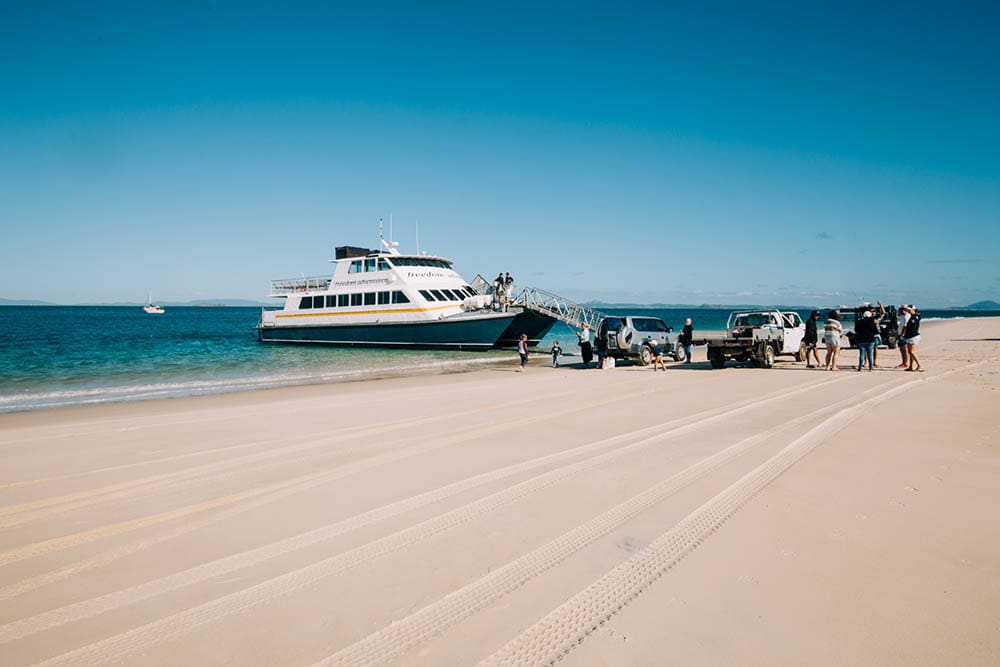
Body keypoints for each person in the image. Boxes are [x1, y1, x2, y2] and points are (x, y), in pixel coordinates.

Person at [902, 306, 924, 372]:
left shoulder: (914, 317)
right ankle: (911, 367)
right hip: (911, 336)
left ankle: (920, 365)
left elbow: (912, 328)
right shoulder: (914, 316)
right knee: (910, 352)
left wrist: (905, 335)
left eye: (910, 310)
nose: (908, 311)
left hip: (912, 336)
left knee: (911, 352)